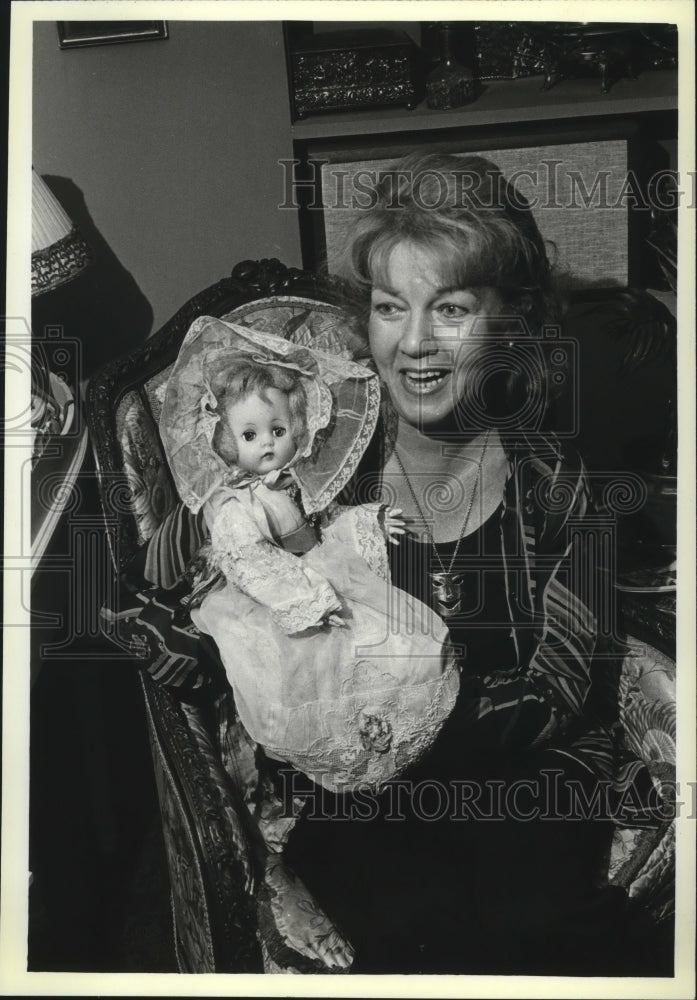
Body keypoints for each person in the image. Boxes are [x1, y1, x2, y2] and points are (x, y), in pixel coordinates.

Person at [269, 152, 662, 975]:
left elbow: (559, 692)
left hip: (528, 775)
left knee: (536, 920)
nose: (414, 343)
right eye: (388, 307)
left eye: (449, 308)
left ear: (508, 322)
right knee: (408, 920)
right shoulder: (314, 472)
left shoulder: (556, 482)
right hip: (360, 791)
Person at [159, 318, 460, 797]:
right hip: (280, 600)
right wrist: (305, 596)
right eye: (251, 434)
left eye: (277, 429)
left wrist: (368, 521)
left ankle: (391, 748)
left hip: (321, 568)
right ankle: (348, 757)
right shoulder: (238, 505)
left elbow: (323, 522)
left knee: (398, 646)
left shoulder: (293, 485)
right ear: (226, 442)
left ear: (298, 426)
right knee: (308, 676)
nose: (269, 443)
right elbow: (248, 558)